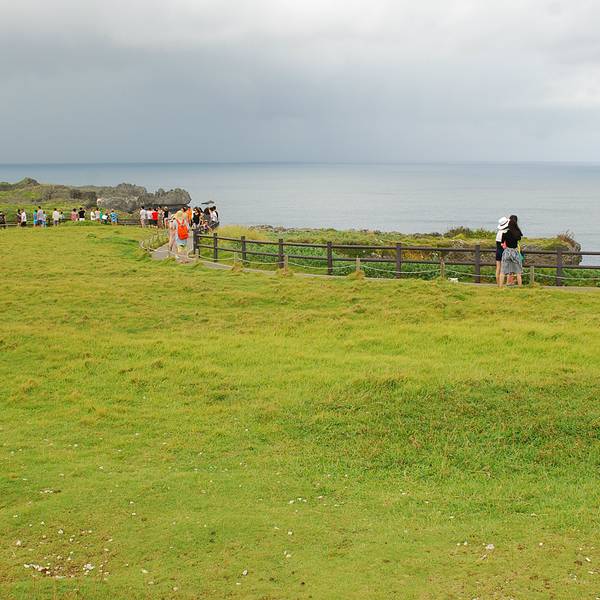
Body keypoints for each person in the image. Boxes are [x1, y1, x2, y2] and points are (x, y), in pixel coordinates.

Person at [499, 215, 523, 288]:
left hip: (507, 252)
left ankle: (500, 287)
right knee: (518, 272)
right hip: (515, 252)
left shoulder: (505, 233)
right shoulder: (517, 233)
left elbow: (502, 243)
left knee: (503, 271)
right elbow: (519, 239)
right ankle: (520, 287)